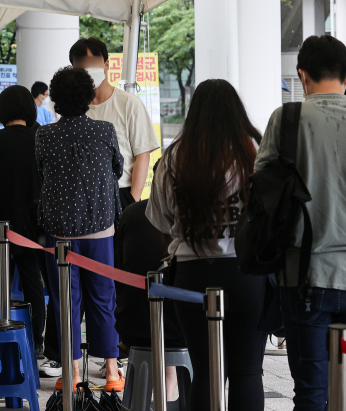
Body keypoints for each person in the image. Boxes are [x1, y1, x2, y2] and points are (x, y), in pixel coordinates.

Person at [254, 35, 346, 411]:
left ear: (302, 75)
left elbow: (261, 185)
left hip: (304, 274)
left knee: (311, 392)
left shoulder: (286, 119)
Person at [147, 79, 269, 411]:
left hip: (190, 278)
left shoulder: (174, 156)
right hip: (246, 274)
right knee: (247, 372)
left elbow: (160, 221)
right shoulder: (255, 151)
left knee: (204, 373)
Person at [36, 66, 125, 392]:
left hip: (59, 235)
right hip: (100, 228)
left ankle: (72, 374)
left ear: (55, 101)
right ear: (90, 98)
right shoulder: (105, 130)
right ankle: (113, 373)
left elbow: (41, 170)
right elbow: (117, 167)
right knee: (103, 299)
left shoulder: (45, 135)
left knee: (65, 302)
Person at [0, 85, 46, 359]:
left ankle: (0, 339)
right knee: (33, 284)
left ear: (2, 111)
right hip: (32, 226)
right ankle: (36, 342)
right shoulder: (40, 137)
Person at [115, 160, 185, 402]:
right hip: (183, 332)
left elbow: (118, 271)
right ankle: (168, 395)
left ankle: (155, 395)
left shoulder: (131, 213)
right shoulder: (194, 216)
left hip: (132, 327)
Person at [69, 37, 160, 209]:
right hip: (83, 196)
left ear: (107, 64)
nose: (88, 69)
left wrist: (133, 199)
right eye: (81, 65)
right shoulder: (72, 108)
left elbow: (142, 153)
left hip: (121, 192)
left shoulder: (129, 104)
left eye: (93, 62)